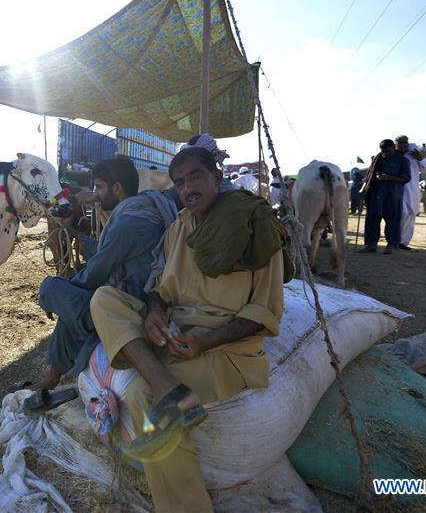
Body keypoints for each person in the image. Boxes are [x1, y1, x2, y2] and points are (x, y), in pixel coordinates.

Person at [90, 146, 287, 512]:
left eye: (195, 176)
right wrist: (153, 314)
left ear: (217, 176)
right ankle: (169, 387)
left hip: (226, 350)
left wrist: (204, 342)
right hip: (178, 332)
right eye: (179, 182)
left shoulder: (254, 225)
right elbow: (162, 291)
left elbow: (264, 314)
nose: (187, 187)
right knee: (104, 298)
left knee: (140, 398)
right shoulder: (179, 226)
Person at [20, 158, 176, 391]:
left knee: (50, 287)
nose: (96, 193)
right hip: (126, 291)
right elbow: (107, 252)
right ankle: (51, 379)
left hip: (128, 305)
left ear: (117, 188)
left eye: (99, 187)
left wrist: (54, 292)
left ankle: (54, 376)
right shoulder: (139, 208)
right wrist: (74, 233)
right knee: (69, 301)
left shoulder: (128, 223)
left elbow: (93, 274)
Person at [359, 139, 411, 254]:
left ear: (393, 148)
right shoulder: (378, 158)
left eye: (387, 151)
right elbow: (369, 175)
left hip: (393, 196)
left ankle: (391, 245)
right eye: (383, 151)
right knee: (372, 220)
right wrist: (363, 188)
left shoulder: (403, 160)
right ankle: (371, 245)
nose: (385, 154)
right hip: (375, 195)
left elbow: (406, 178)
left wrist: (389, 178)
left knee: (392, 222)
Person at [395, 135, 426, 250]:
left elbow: (425, 169)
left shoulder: (414, 154)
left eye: (405, 143)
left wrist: (419, 158)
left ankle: (403, 242)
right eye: (400, 143)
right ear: (396, 145)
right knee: (402, 213)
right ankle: (396, 239)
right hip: (398, 188)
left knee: (411, 213)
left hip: (413, 188)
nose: (403, 145)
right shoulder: (394, 155)